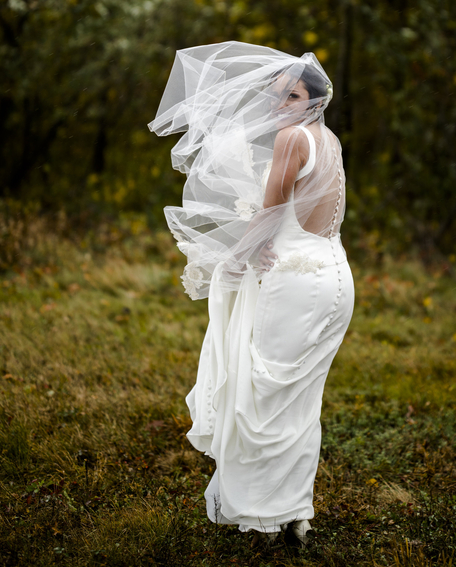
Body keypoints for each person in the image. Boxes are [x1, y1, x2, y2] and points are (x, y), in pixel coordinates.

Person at [149, 42, 354, 545]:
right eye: (277, 94)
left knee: (261, 398)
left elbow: (269, 213)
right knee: (299, 400)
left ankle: (264, 517)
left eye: (293, 95)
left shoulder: (290, 139)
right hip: (336, 276)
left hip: (295, 281)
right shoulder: (329, 140)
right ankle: (295, 515)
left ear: (315, 99)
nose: (280, 103)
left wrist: (232, 259)